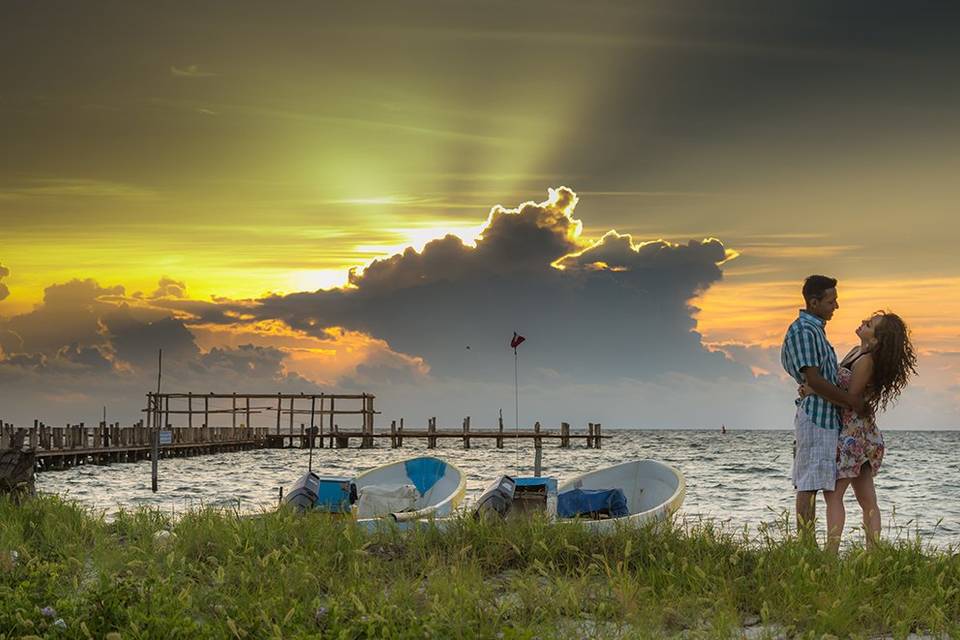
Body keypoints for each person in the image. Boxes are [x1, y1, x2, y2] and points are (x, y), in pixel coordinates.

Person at [800, 311, 917, 552]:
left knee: (834, 497)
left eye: (870, 324)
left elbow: (849, 400)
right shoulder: (857, 351)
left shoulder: (866, 361)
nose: (863, 322)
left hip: (853, 434)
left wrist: (814, 391)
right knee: (867, 500)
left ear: (877, 338)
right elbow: (838, 387)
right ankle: (872, 554)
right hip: (859, 433)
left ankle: (831, 555)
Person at [781, 275, 862, 541]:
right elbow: (814, 378)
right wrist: (851, 402)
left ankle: (810, 544)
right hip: (816, 415)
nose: (835, 306)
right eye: (831, 301)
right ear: (814, 302)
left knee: (816, 480)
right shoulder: (804, 330)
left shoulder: (815, 330)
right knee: (808, 482)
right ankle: (805, 545)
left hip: (825, 416)